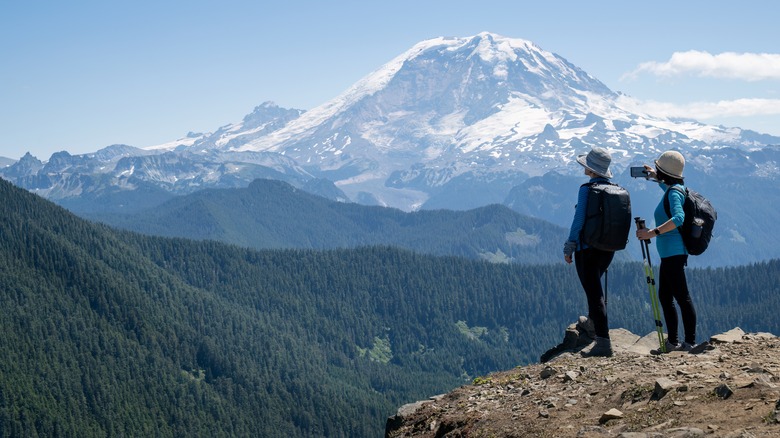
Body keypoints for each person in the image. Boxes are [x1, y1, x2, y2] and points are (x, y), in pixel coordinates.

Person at [635, 150, 698, 352]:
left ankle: (688, 343)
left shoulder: (674, 193)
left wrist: (653, 232)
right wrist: (655, 177)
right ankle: (674, 342)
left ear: (665, 172)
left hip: (674, 253)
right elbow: (670, 189)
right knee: (666, 297)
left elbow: (678, 217)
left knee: (681, 297)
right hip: (670, 254)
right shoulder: (675, 188)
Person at [563, 147, 615, 357]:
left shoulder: (587, 190)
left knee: (594, 295)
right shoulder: (612, 190)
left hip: (587, 250)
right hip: (607, 249)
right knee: (595, 290)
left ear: (591, 169)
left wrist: (569, 246)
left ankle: (603, 342)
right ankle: (593, 323)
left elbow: (578, 221)